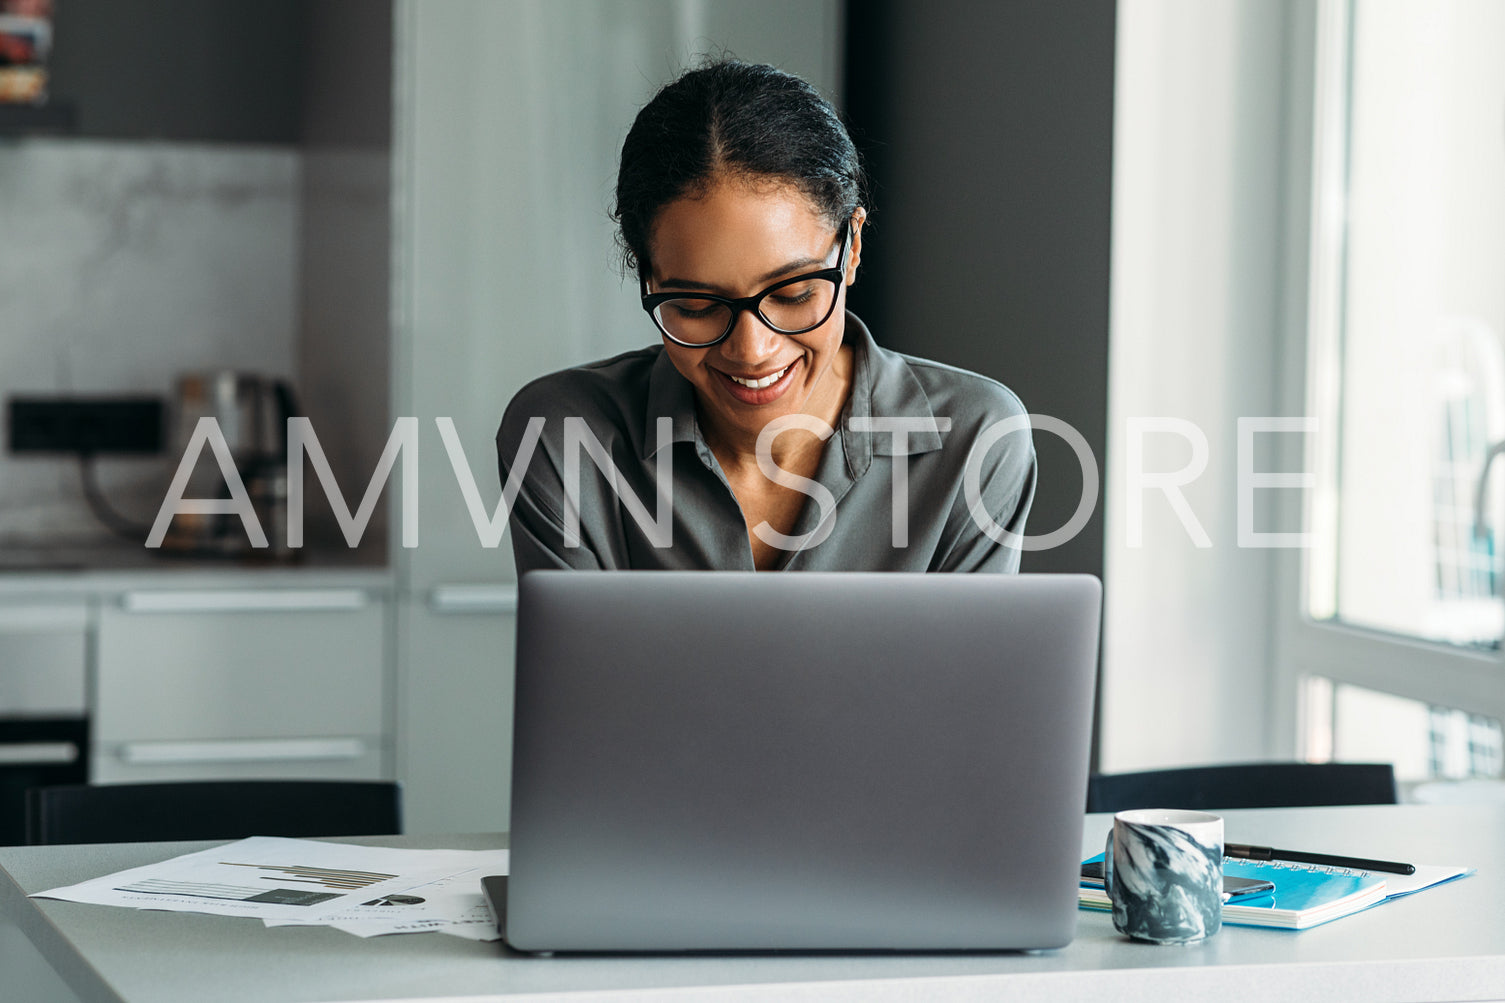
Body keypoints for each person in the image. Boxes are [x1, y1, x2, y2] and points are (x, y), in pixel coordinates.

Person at [497, 58, 1035, 574]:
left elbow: (962, 673)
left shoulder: (974, 440)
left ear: (851, 249)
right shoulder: (563, 437)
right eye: (696, 306)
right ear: (649, 278)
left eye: (795, 293)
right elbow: (585, 670)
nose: (752, 350)